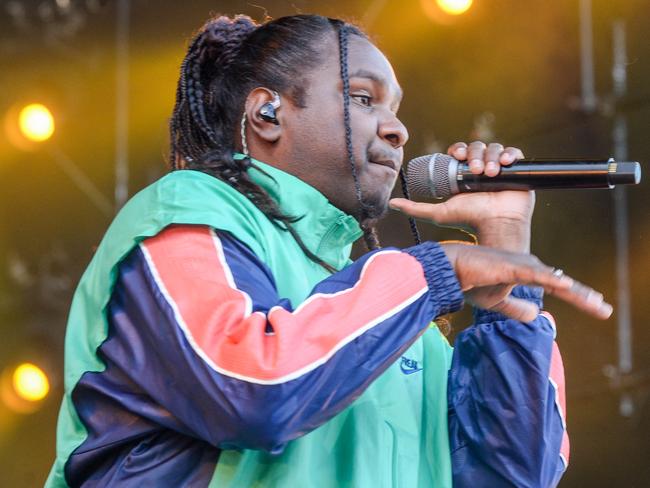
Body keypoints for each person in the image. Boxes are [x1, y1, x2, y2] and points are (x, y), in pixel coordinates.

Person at [46, 14, 612, 487]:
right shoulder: (183, 211)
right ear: (267, 113)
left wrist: (506, 277)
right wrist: (438, 269)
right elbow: (253, 389)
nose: (398, 130)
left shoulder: (395, 311)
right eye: (365, 98)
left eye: (395, 108)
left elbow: (515, 474)